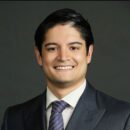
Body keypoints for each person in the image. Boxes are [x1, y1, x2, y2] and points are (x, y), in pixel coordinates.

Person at [2, 8, 130, 130]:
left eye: (73, 48)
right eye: (52, 48)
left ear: (89, 53)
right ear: (39, 55)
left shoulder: (123, 117)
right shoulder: (13, 118)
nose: (63, 57)